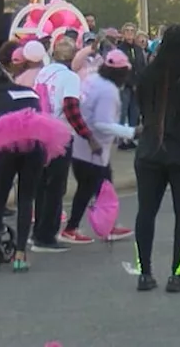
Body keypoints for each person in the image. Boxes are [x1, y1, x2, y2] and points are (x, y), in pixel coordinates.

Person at [127, 24, 180, 293]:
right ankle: (178, 273)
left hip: (150, 149)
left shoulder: (147, 74)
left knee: (146, 213)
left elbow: (141, 106)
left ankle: (144, 272)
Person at [0, 65, 73, 272]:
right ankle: (20, 255)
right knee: (26, 199)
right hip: (35, 145)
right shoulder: (29, 91)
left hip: (6, 147)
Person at [61, 50, 137, 244]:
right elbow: (103, 123)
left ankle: (108, 225)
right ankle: (71, 228)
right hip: (93, 147)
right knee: (90, 188)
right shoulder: (108, 91)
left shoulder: (92, 79)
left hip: (81, 141)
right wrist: (132, 132)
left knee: (103, 186)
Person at [31, 38, 100, 252]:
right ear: (72, 56)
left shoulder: (43, 72)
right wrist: (88, 136)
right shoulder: (69, 77)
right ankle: (47, 236)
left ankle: (37, 233)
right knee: (55, 187)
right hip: (59, 134)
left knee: (42, 185)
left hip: (40, 131)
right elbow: (71, 109)